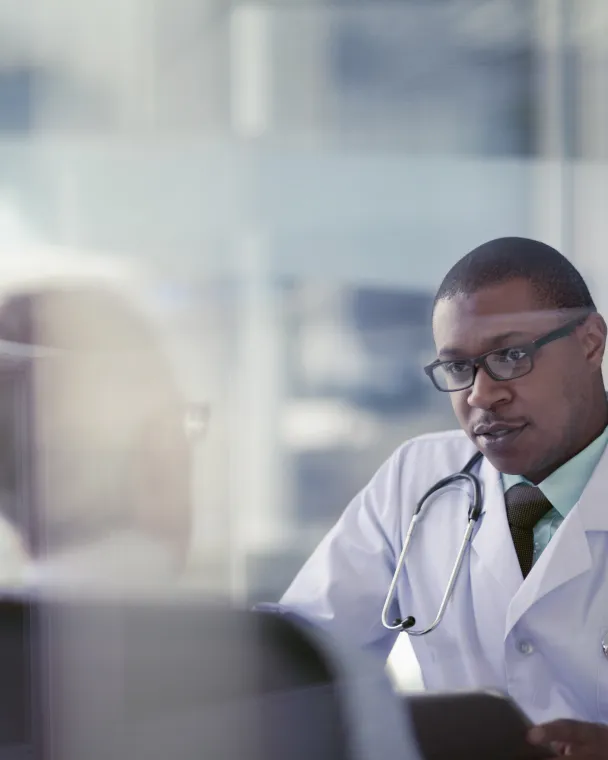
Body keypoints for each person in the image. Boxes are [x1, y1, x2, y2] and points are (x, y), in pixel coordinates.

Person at [276, 237, 608, 758]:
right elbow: (301, 660)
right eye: (458, 369)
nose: (480, 394)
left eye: (511, 355)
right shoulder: (417, 480)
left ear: (590, 343)